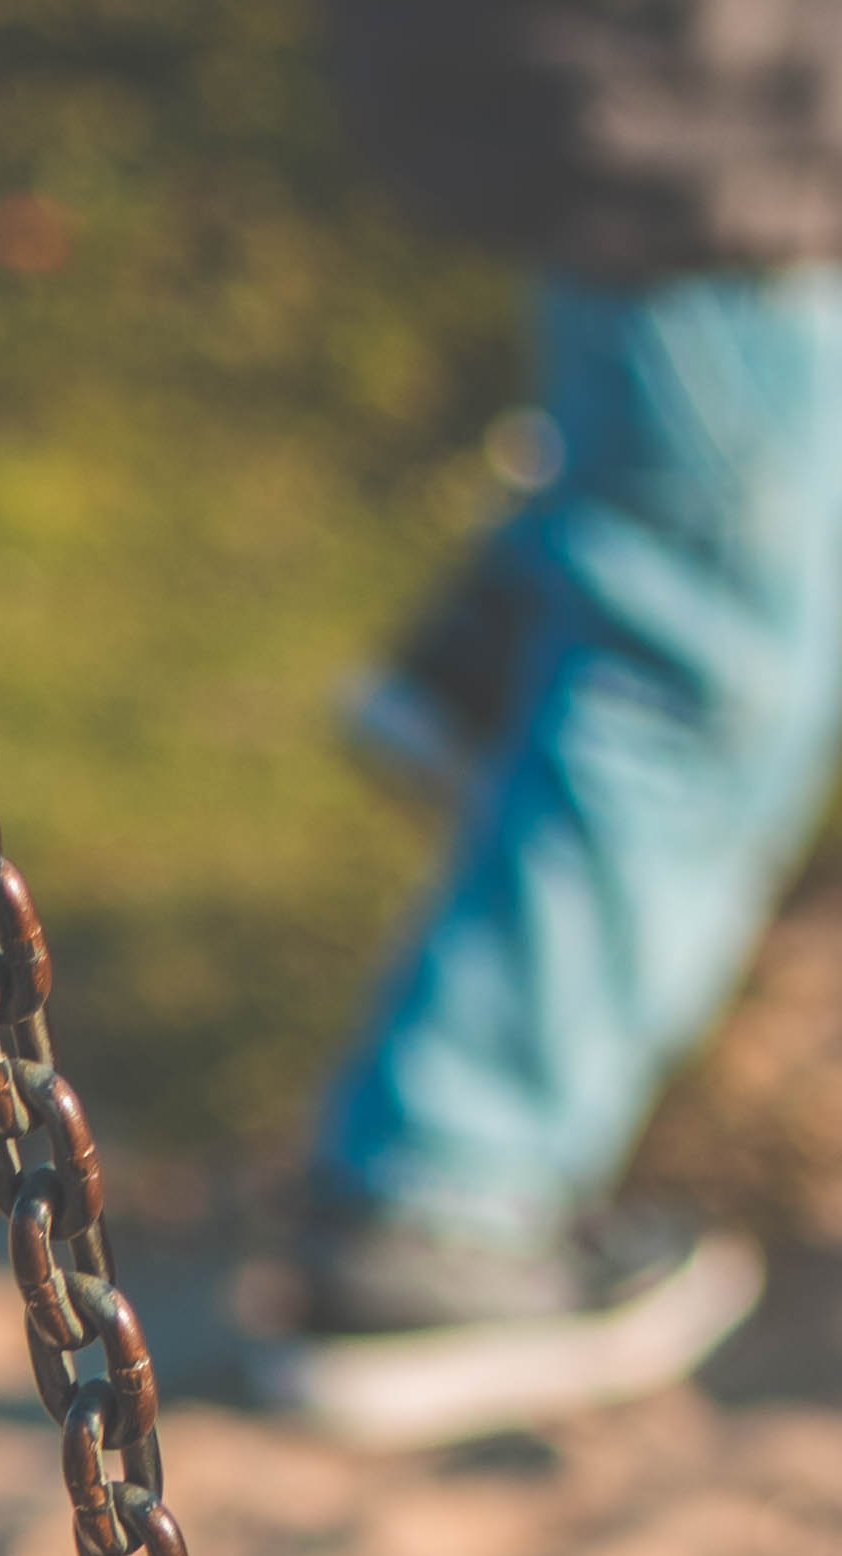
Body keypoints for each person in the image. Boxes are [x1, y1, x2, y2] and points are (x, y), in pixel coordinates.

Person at [260, 0, 842, 1442]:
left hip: (684, 94)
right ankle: (444, 1195)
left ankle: (491, 663)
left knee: (716, 512)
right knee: (701, 672)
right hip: (695, 93)